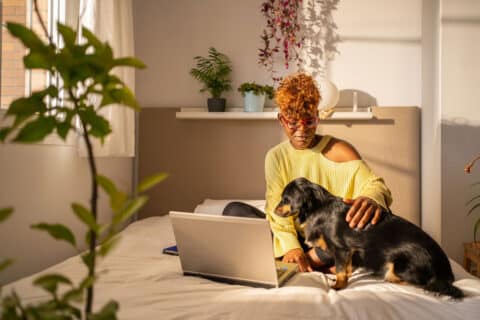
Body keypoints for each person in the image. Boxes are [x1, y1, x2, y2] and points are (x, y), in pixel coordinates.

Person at [223, 73, 392, 273]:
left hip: (328, 241)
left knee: (356, 230)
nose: (301, 130)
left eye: (308, 122)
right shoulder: (276, 157)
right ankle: (304, 261)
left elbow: (377, 186)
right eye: (293, 123)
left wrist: (371, 197)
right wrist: (292, 247)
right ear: (281, 120)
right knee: (233, 211)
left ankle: (308, 262)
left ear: (317, 118)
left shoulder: (339, 149)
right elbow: (277, 213)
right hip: (295, 239)